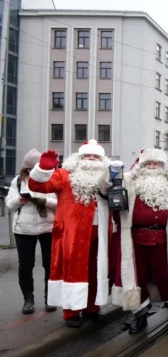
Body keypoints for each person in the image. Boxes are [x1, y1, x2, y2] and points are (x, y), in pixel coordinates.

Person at [28, 140, 112, 328]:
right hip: (73, 233)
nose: (91, 159)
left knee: (96, 270)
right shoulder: (64, 174)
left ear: (102, 159)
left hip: (101, 232)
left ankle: (93, 308)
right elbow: (39, 187)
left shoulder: (108, 177)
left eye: (96, 156)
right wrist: (43, 169)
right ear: (79, 158)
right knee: (73, 272)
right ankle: (71, 312)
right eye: (87, 156)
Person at [110, 149, 168, 334]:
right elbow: (106, 193)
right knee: (138, 276)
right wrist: (112, 176)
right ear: (141, 165)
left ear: (163, 166)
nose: (152, 167)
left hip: (165, 239)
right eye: (148, 164)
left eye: (156, 164)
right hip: (135, 239)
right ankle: (140, 313)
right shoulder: (129, 180)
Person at [6, 149, 57, 314]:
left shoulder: (53, 179)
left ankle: (50, 299)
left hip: (48, 227)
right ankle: (28, 299)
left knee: (50, 265)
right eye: (28, 168)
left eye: (34, 167)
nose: (31, 171)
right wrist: (19, 200)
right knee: (25, 265)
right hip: (23, 229)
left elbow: (61, 203)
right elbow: (9, 205)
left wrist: (44, 201)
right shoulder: (18, 181)